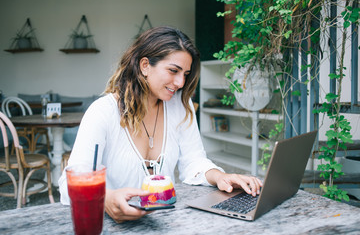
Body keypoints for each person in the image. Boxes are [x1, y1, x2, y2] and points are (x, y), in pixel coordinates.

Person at [58, 26, 262, 223]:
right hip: (113, 226)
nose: (181, 82)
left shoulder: (181, 106)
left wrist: (221, 177)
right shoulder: (103, 111)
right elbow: (70, 184)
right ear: (145, 65)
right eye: (174, 70)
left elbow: (194, 162)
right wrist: (106, 199)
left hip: (166, 223)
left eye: (186, 74)